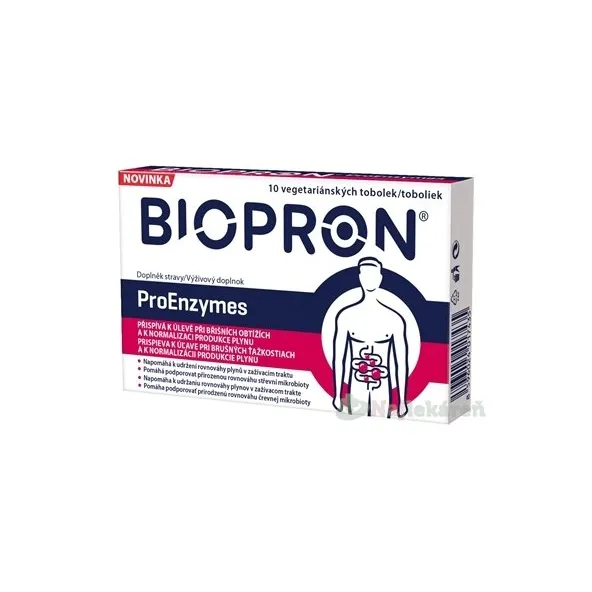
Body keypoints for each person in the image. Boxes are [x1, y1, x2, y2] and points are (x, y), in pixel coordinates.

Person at [332, 257, 409, 418]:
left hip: (382, 387)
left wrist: (402, 401)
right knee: (353, 422)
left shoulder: (394, 319)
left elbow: (401, 362)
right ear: (359, 277)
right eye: (365, 275)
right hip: (356, 386)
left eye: (373, 275)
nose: (369, 279)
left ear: (380, 278)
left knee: (382, 425)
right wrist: (337, 394)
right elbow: (339, 358)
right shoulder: (346, 316)